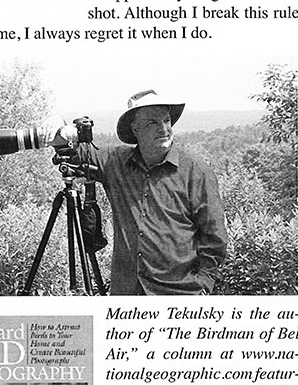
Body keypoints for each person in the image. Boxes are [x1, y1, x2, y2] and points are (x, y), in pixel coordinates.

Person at [56, 89, 227, 296]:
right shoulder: (115, 162)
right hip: (127, 297)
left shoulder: (195, 171)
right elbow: (77, 153)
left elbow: (214, 237)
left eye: (166, 121)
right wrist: (61, 129)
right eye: (152, 123)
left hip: (179, 297)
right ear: (135, 129)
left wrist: (202, 285)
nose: (164, 129)